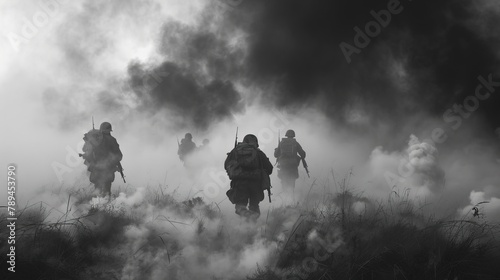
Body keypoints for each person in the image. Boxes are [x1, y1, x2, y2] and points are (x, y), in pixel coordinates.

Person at [224, 134, 273, 221]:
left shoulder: (235, 151)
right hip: (256, 184)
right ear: (255, 142)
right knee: (254, 207)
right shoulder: (258, 153)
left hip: (239, 183)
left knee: (240, 207)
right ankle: (251, 227)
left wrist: (236, 172)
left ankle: (246, 219)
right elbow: (269, 168)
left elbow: (226, 165)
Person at [82, 122, 123, 197]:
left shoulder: (94, 139)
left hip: (96, 168)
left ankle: (96, 206)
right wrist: (113, 162)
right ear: (110, 130)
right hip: (108, 169)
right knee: (107, 191)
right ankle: (106, 205)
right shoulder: (112, 140)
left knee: (97, 190)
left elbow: (85, 150)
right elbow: (119, 155)